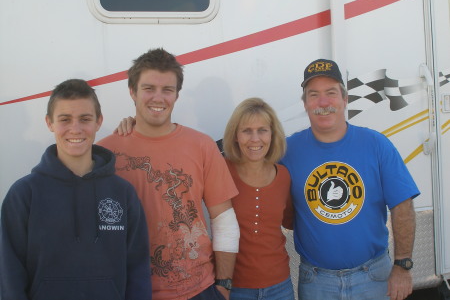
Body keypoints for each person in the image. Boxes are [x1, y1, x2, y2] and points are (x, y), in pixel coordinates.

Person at [97, 48, 240, 300]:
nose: (158, 98)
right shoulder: (106, 152)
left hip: (199, 291)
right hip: (132, 291)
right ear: (132, 91)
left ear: (177, 94)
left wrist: (224, 285)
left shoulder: (202, 145)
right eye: (149, 88)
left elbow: (224, 219)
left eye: (167, 90)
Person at [280, 59, 420, 300]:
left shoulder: (376, 145)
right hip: (316, 282)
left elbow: (403, 205)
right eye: (314, 95)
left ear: (345, 100)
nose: (323, 103)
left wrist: (402, 265)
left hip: (374, 277)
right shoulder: (287, 151)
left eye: (331, 93)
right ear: (305, 104)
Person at [0, 79, 152, 300]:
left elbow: (138, 271)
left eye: (85, 119)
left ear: (98, 122)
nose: (75, 129)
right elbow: (9, 276)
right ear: (49, 123)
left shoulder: (123, 193)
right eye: (65, 119)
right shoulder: (24, 194)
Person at [222, 97, 295, 300]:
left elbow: (290, 222)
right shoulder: (221, 170)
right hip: (234, 288)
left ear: (272, 134)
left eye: (262, 130)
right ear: (235, 135)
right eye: (246, 130)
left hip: (280, 287)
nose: (255, 139)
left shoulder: (283, 175)